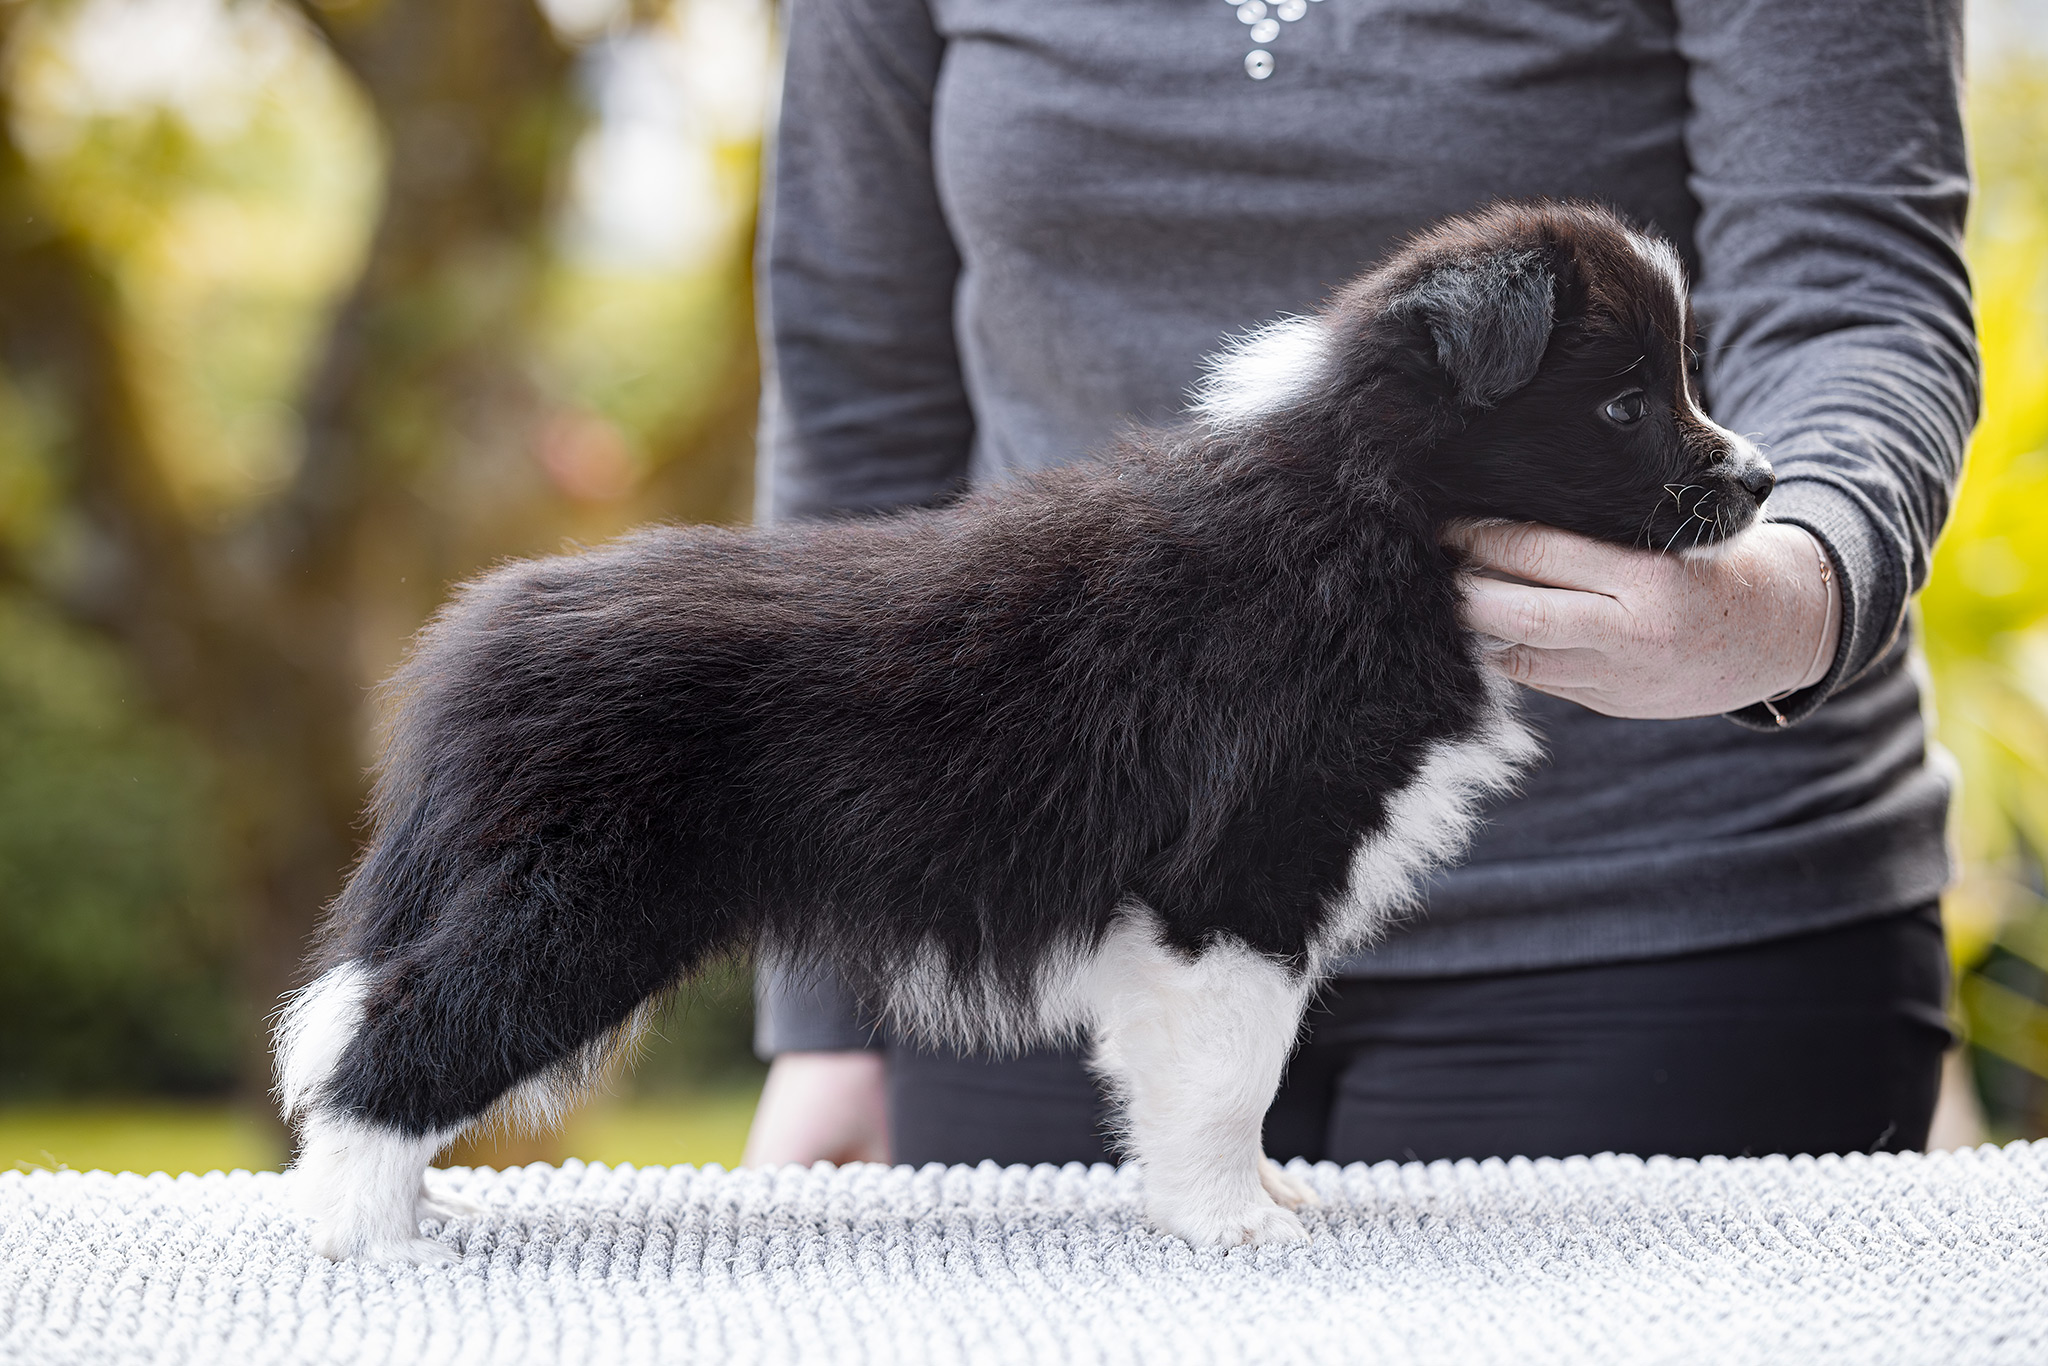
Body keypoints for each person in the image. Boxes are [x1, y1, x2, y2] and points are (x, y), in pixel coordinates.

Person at [742, 0, 1977, 1169]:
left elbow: (1851, 288)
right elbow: (859, 379)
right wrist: (828, 999)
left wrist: (1791, 596)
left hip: (1663, 920)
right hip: (1058, 906)